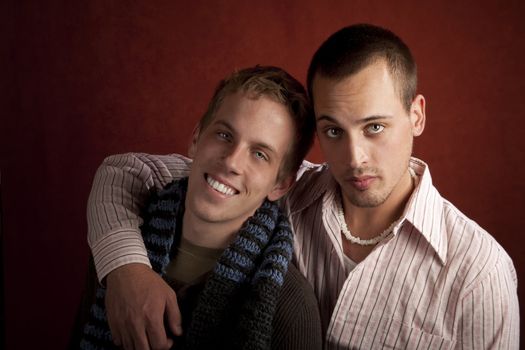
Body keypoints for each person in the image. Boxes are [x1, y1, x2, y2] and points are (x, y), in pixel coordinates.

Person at [85, 25, 519, 349]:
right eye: (333, 132)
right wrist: (127, 269)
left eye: (374, 127)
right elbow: (126, 172)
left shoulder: (477, 273)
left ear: (417, 116)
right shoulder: (288, 189)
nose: (354, 158)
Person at [80, 65, 322, 349]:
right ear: (196, 138)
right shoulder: (117, 251)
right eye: (224, 135)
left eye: (259, 154)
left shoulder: (290, 304)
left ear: (280, 185)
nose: (232, 161)